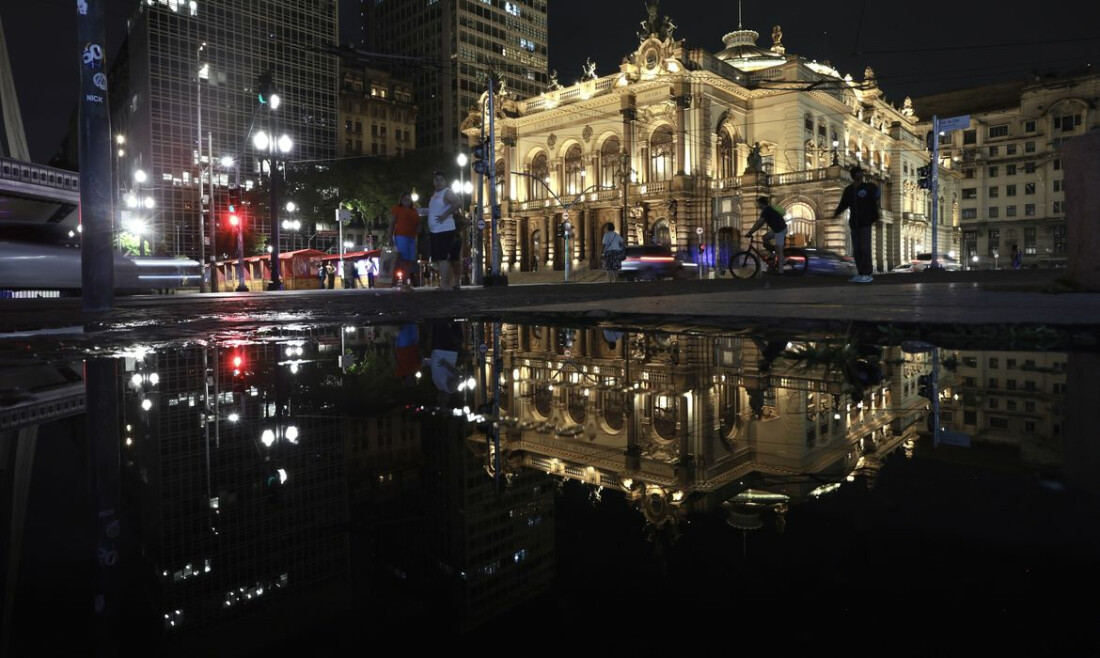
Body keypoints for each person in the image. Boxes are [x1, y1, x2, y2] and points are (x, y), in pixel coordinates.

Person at [832, 165, 880, 283]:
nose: (859, 175)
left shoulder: (869, 187)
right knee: (857, 250)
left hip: (865, 222)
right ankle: (861, 273)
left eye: (860, 173)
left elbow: (876, 197)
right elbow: (843, 204)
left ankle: (867, 274)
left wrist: (876, 217)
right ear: (853, 176)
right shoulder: (849, 190)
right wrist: (836, 214)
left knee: (865, 248)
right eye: (857, 173)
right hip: (854, 223)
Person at [427, 170, 462, 291]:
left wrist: (445, 214)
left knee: (443, 258)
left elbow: (458, 202)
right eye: (436, 180)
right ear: (433, 182)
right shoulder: (435, 194)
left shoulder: (446, 192)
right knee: (440, 259)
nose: (439, 182)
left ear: (445, 181)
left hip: (444, 230)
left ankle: (446, 285)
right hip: (436, 231)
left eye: (441, 179)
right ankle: (446, 283)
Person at [386, 191, 421, 288]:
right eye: (405, 199)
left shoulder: (414, 211)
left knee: (410, 259)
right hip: (401, 236)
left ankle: (406, 280)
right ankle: (404, 282)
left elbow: (417, 224)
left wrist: (418, 230)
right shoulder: (397, 209)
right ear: (401, 200)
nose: (407, 201)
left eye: (409, 200)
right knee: (404, 259)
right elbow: (392, 224)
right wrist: (390, 239)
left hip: (412, 237)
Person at [748, 196, 788, 274]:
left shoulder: (767, 210)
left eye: (757, 203)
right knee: (765, 238)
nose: (756, 205)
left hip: (780, 230)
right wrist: (751, 231)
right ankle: (773, 253)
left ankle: (780, 272)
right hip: (776, 230)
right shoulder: (767, 209)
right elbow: (759, 223)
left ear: (761, 203)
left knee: (779, 251)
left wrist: (750, 232)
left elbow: (759, 223)